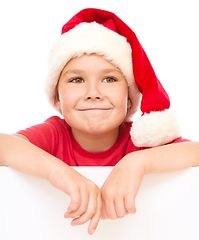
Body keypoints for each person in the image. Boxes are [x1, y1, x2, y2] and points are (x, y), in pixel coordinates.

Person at [0, 8, 198, 235]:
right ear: (56, 98)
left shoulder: (141, 141)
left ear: (129, 98)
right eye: (77, 79)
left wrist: (138, 163)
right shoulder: (55, 134)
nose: (93, 92)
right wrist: (58, 172)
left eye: (109, 79)